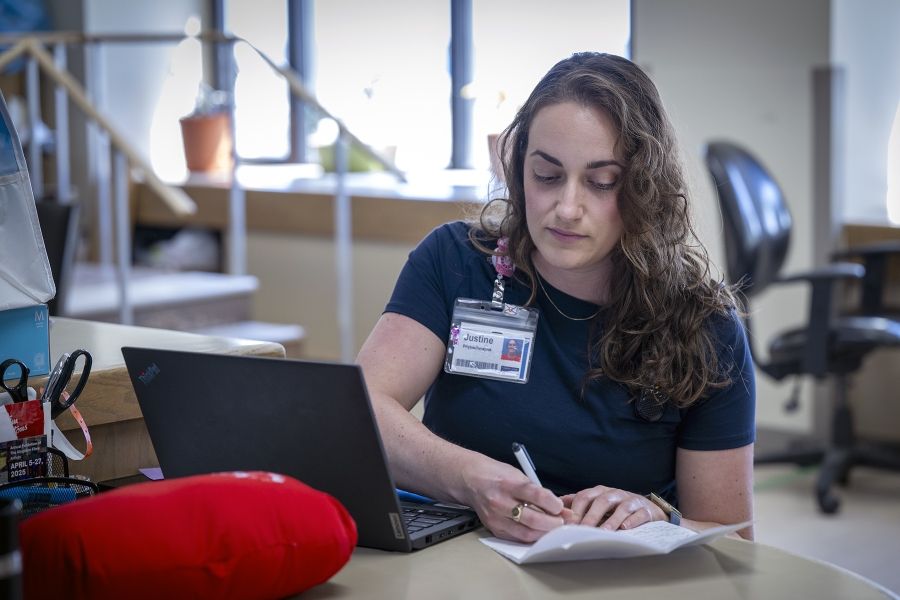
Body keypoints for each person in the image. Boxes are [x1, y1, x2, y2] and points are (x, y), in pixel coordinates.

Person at [357, 52, 755, 543]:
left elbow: (731, 540)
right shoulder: (456, 261)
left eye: (601, 182)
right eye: (546, 176)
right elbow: (364, 408)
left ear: (645, 187)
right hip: (458, 557)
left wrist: (657, 520)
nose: (567, 208)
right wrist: (469, 477)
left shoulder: (705, 327)